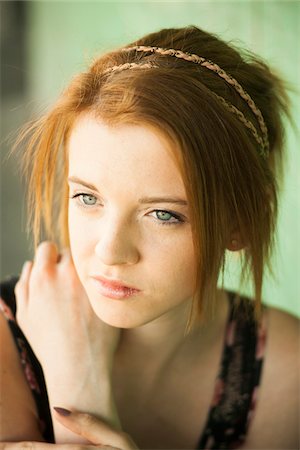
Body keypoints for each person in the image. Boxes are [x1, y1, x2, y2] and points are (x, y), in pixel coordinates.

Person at [0, 25, 299, 450]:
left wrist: (81, 394)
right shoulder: (5, 342)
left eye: (163, 214)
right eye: (87, 198)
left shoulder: (285, 373)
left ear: (240, 222)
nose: (109, 251)